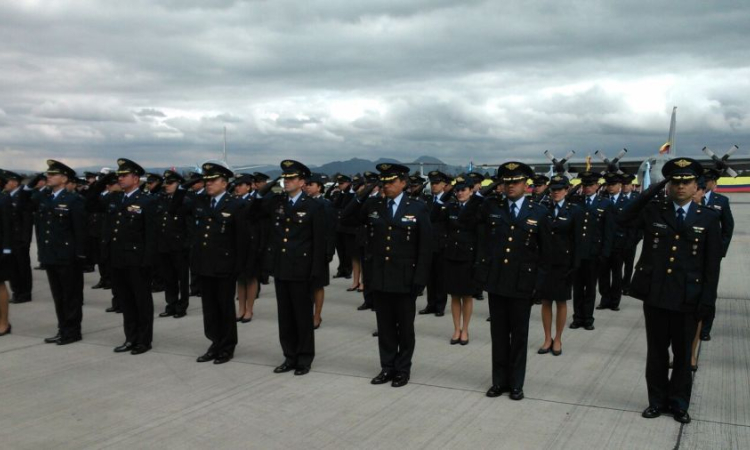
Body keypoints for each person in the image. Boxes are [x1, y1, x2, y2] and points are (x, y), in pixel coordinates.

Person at [619, 158, 721, 424]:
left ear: (695, 185)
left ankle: (679, 404)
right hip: (656, 295)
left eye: (686, 182)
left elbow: (711, 267)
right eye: (675, 182)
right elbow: (624, 217)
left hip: (688, 298)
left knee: (683, 355)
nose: (680, 187)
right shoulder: (655, 211)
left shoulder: (708, 219)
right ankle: (656, 401)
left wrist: (708, 302)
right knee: (657, 354)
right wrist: (652, 189)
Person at [343, 163, 432, 387]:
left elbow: (425, 247)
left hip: (405, 278)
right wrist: (365, 190)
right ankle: (387, 367)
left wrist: (420, 279)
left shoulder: (417, 207)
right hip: (380, 277)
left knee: (405, 327)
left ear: (403, 183)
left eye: (392, 181)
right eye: (384, 181)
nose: (388, 185)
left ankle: (403, 369)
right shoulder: (374, 204)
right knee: (385, 327)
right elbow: (346, 217)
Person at [476, 162, 549, 400]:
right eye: (506, 182)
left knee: (519, 336)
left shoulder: (538, 211)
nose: (510, 187)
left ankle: (516, 383)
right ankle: (499, 381)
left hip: (522, 283)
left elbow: (546, 253)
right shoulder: (490, 207)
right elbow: (476, 231)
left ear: (525, 184)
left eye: (515, 182)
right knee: (498, 335)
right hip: (497, 281)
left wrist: (538, 285)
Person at [179, 163, 249, 364]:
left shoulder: (236, 204)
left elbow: (242, 240)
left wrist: (238, 267)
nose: (208, 184)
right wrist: (187, 184)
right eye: (206, 180)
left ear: (225, 183)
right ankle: (214, 343)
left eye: (213, 180)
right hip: (204, 264)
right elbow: (177, 207)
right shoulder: (200, 202)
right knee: (209, 308)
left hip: (225, 266)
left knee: (224, 308)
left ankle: (227, 347)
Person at [262, 160, 326, 376]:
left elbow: (319, 241)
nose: (286, 182)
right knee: (285, 316)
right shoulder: (277, 202)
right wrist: (269, 186)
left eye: (291, 179)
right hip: (281, 267)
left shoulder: (313, 206)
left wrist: (316, 272)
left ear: (302, 182)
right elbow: (253, 209)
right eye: (285, 178)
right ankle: (289, 356)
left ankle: (304, 358)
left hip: (302, 268)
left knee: (302, 316)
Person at [93, 159, 157, 355]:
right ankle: (130, 338)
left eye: (123, 175)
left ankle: (144, 340)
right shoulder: (115, 199)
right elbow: (90, 202)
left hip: (138, 261)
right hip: (118, 259)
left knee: (141, 302)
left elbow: (151, 235)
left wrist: (148, 262)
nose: (119, 178)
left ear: (136, 178)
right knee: (126, 302)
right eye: (118, 176)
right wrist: (103, 179)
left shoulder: (147, 201)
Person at [27, 161, 87, 345]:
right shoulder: (45, 198)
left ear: (64, 178)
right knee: (58, 296)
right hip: (51, 255)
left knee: (71, 296)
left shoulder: (74, 201)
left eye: (53, 174)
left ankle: (73, 331)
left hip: (68, 256)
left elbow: (80, 231)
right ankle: (63, 328)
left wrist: (81, 256)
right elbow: (28, 199)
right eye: (48, 174)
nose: (48, 177)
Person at [535, 175, 582, 356]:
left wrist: (575, 264)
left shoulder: (574, 211)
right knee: (546, 301)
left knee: (561, 302)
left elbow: (578, 239)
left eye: (560, 189)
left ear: (567, 189)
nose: (556, 192)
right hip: (545, 263)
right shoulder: (542, 209)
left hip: (564, 263)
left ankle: (558, 338)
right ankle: (547, 338)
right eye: (553, 189)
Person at [436, 176, 482, 346]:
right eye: (458, 190)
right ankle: (456, 329)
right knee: (454, 295)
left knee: (467, 296)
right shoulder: (450, 207)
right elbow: (441, 225)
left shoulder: (477, 207)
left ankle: (465, 329)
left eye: (463, 190)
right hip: (452, 255)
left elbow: (479, 234)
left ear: (471, 190)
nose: (460, 193)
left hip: (468, 256)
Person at [570, 171, 613, 330]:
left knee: (590, 287)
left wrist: (605, 253)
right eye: (584, 185)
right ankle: (577, 317)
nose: (587, 188)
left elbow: (608, 231)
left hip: (594, 253)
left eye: (590, 185)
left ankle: (588, 318)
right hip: (578, 253)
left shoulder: (605, 204)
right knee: (577, 288)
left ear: (597, 186)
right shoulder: (576, 202)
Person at [698, 168, 734, 341]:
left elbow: (728, 227)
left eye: (708, 180)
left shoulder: (721, 201)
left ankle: (705, 328)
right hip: (693, 254)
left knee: (709, 292)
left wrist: (720, 250)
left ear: (713, 182)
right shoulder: (692, 198)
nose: (705, 182)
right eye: (702, 179)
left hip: (712, 256)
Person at [155, 170, 192, 319]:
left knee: (182, 278)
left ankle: (181, 306)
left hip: (179, 246)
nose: (167, 186)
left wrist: (186, 245)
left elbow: (189, 226)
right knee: (168, 277)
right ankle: (171, 304)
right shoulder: (162, 200)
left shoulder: (186, 202)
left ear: (179, 184)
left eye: (170, 183)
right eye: (166, 183)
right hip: (165, 245)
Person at [305, 173, 336, 329]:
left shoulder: (325, 204)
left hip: (320, 250)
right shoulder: (303, 203)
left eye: (311, 184)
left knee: (318, 285)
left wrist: (329, 251)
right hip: (305, 251)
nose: (308, 187)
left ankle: (317, 315)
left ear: (319, 187)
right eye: (307, 184)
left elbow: (330, 229)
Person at [597, 172, 630, 311]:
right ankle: (605, 299)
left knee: (616, 274)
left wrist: (629, 243)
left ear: (619, 185)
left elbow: (632, 225)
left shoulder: (627, 202)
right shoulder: (601, 201)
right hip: (603, 243)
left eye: (613, 184)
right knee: (603, 274)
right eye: (608, 184)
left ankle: (615, 301)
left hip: (619, 244)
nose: (610, 187)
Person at [420, 170, 449, 317]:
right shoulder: (427, 199)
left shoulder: (449, 201)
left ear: (444, 185)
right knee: (429, 277)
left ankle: (440, 305)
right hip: (429, 243)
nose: (434, 186)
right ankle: (430, 304)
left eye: (437, 183)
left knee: (441, 276)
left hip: (442, 243)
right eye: (432, 183)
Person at [233, 173, 262, 323]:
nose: (237, 188)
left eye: (240, 185)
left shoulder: (255, 200)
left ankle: (249, 309)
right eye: (236, 185)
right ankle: (240, 308)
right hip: (237, 244)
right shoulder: (234, 201)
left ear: (249, 186)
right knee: (240, 278)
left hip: (251, 244)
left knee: (250, 277)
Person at [1, 170, 34, 304]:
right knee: (13, 267)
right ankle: (17, 292)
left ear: (14, 183)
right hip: (10, 239)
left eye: (7, 182)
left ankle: (25, 293)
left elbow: (26, 220)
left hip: (20, 239)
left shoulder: (22, 196)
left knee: (22, 267)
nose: (5, 185)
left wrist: (25, 239)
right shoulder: (8, 196)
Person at [0, 184, 13, 336]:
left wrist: (7, 249)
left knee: (0, 285)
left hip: (0, 248)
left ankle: (4, 323)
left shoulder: (3, 199)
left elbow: (8, 226)